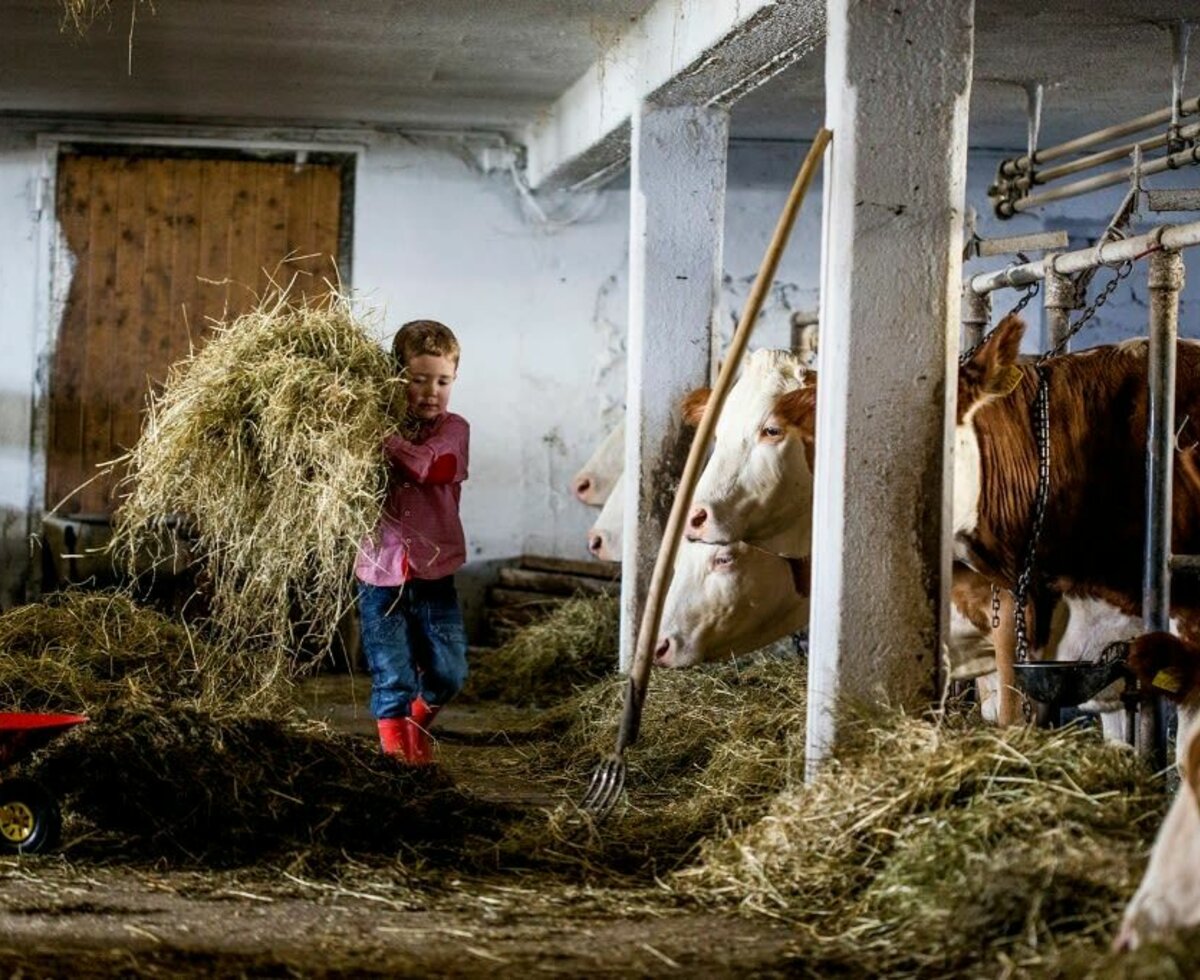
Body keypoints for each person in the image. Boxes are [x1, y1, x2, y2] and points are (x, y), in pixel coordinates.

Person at [355, 319, 470, 765]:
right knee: (392, 677)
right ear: (396, 378)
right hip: (379, 574)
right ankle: (400, 765)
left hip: (433, 573)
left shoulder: (454, 429)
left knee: (449, 672)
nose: (430, 392)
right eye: (418, 380)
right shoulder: (367, 427)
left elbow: (430, 469)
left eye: (442, 381)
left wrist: (381, 438)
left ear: (455, 380)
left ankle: (418, 724)